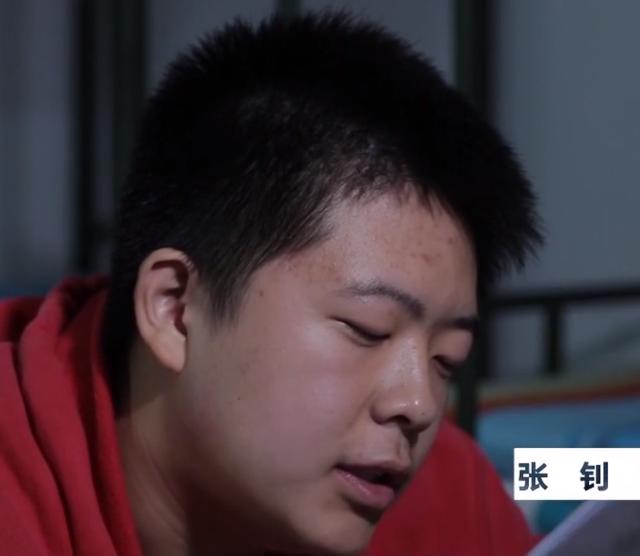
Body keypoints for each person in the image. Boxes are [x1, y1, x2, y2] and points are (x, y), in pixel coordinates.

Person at [0, 10, 543, 556]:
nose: (419, 405)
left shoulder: (446, 495)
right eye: (368, 330)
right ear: (175, 308)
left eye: (447, 361)